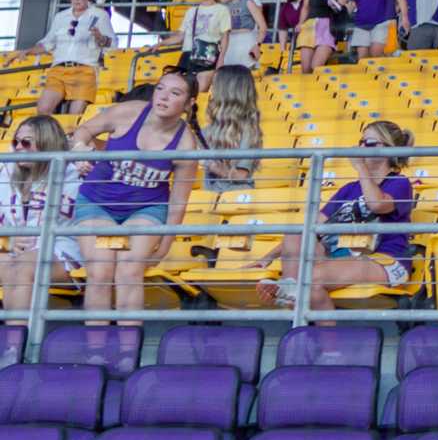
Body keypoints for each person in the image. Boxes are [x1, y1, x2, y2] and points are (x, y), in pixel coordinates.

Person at [70, 69, 202, 320]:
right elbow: (83, 131)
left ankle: (127, 349)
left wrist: (165, 243)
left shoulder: (186, 144)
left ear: (189, 104)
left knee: (130, 271)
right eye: (160, 89)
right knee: (99, 272)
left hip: (146, 208)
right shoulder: (128, 112)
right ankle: (96, 347)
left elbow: (179, 200)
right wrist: (80, 151)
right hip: (97, 202)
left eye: (175, 93)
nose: (163, 97)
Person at [258, 121, 416, 314]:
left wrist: (361, 168)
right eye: (361, 142)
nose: (362, 148)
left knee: (310, 279)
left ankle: (289, 293)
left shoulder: (399, 183)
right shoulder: (349, 189)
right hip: (342, 256)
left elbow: (376, 204)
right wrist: (267, 258)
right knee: (296, 237)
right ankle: (292, 291)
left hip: (385, 260)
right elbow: (313, 226)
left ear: (389, 150)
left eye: (370, 143)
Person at [1, 115, 84, 313]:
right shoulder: (5, 171)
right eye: (15, 142)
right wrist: (8, 240)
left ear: (47, 143)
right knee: (13, 264)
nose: (18, 147)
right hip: (17, 253)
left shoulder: (76, 173)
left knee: (22, 267)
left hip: (63, 254)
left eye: (26, 142)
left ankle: (16, 341)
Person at [10, 0, 115, 115]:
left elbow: (111, 43)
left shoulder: (100, 15)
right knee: (43, 109)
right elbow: (47, 44)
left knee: (75, 114)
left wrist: (100, 37)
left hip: (85, 70)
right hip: (58, 70)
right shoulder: (60, 17)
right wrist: (28, 51)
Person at [198, 64, 264, 193]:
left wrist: (209, 163)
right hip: (211, 197)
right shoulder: (210, 127)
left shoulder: (248, 129)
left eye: (215, 85)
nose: (211, 90)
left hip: (235, 198)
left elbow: (241, 175)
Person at [300, 0, 351, 74]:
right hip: (310, 25)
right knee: (305, 69)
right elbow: (305, 7)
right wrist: (300, 23)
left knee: (316, 67)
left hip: (328, 25)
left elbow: (342, 10)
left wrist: (335, 6)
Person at [218, 0, 267, 73]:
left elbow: (263, 26)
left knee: (246, 75)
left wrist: (257, 45)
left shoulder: (247, 2)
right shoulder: (221, 7)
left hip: (246, 41)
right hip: (228, 43)